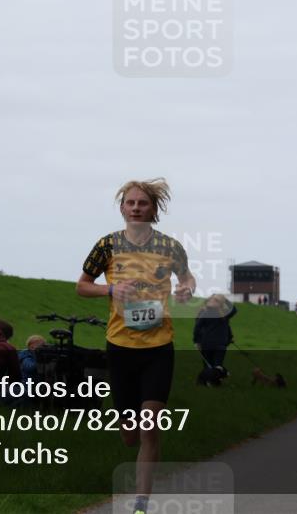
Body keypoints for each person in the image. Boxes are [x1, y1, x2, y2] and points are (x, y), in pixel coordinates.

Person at [76, 178, 196, 514]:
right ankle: (127, 434)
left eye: (142, 203)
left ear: (153, 209)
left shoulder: (170, 246)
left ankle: (142, 500)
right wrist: (110, 290)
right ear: (122, 208)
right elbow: (82, 286)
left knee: (150, 422)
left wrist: (186, 288)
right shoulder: (107, 245)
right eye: (130, 203)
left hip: (159, 345)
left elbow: (187, 277)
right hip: (120, 344)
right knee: (130, 433)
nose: (136, 208)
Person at [193, 294, 238, 383]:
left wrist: (197, 341)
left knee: (208, 364)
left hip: (206, 343)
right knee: (218, 365)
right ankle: (215, 381)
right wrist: (225, 300)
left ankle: (206, 381)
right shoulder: (224, 313)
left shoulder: (204, 312)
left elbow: (197, 327)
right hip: (220, 344)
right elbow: (234, 310)